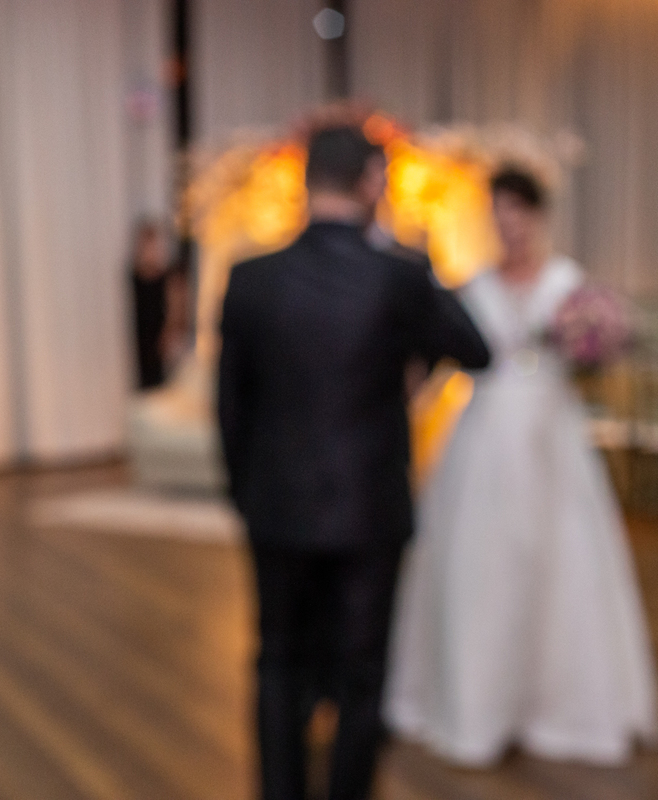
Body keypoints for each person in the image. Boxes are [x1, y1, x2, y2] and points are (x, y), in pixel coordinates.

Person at [216, 125, 490, 800]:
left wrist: (248, 496)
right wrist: (413, 263)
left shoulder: (251, 279)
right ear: (373, 182)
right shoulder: (399, 276)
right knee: (362, 674)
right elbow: (475, 348)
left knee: (278, 664)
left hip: (276, 505)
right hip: (370, 508)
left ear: (306, 181)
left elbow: (231, 408)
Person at [384, 167, 658, 766]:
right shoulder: (472, 286)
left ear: (538, 216)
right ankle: (475, 699)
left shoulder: (567, 282)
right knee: (479, 562)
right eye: (499, 211)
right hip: (482, 436)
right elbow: (438, 358)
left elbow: (597, 363)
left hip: (550, 436)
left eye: (518, 210)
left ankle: (558, 704)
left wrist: (595, 341)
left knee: (564, 561)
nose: (509, 223)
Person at [130, 221, 169, 389]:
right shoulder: (132, 278)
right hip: (138, 340)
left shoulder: (165, 277)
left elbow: (171, 311)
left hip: (157, 341)